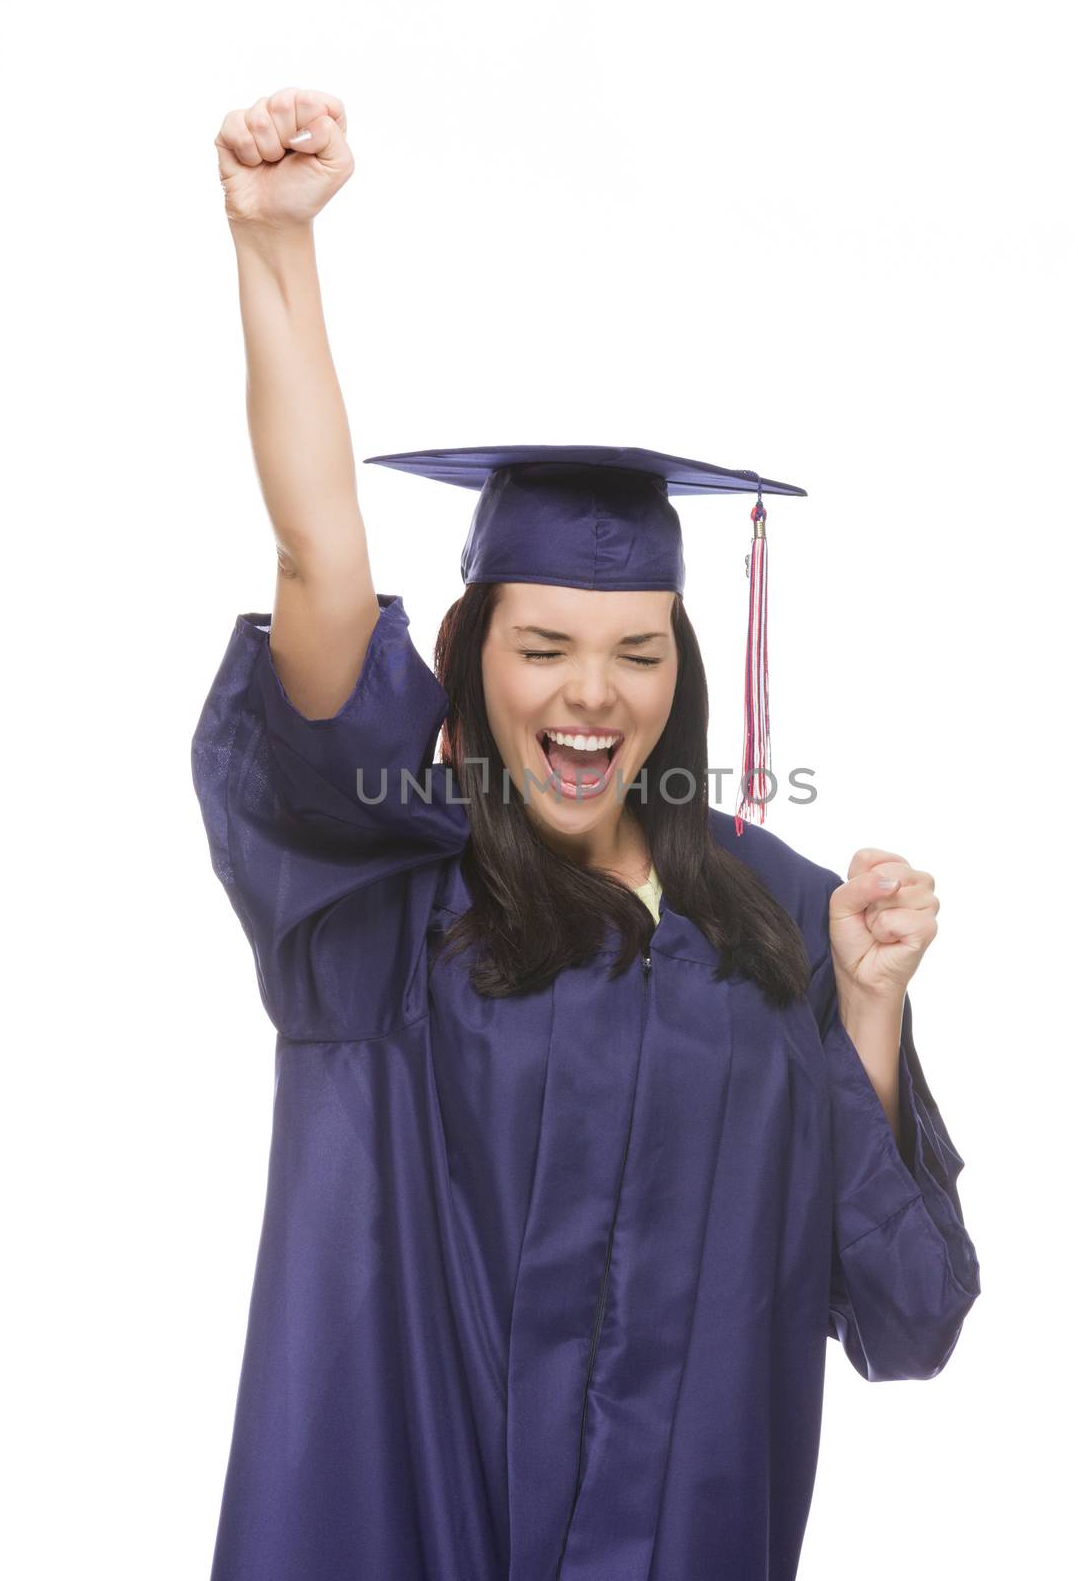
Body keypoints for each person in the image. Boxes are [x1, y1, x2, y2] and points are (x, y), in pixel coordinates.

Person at [193, 87, 981, 1581]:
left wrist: (867, 1011)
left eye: (637, 650)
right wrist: (274, 248)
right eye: (543, 644)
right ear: (470, 655)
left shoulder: (771, 914)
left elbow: (903, 1319)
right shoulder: (376, 903)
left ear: (681, 674)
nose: (590, 694)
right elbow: (318, 560)